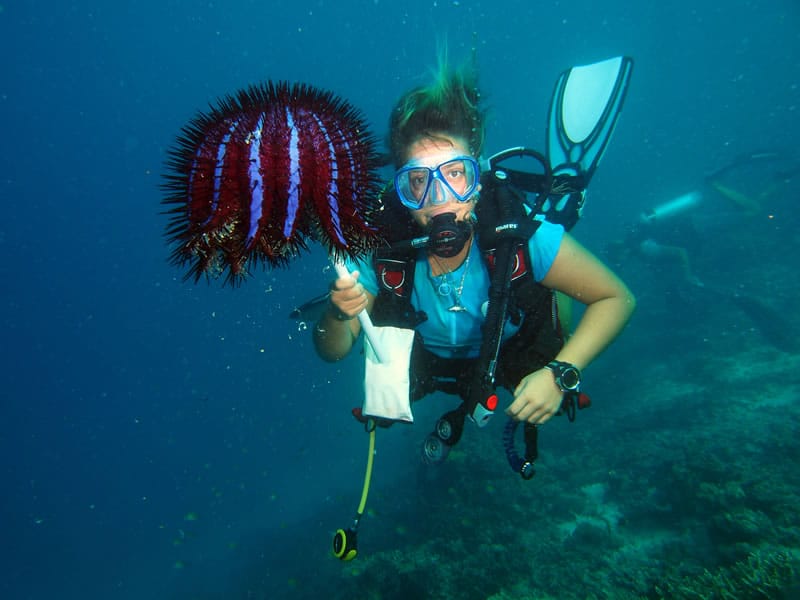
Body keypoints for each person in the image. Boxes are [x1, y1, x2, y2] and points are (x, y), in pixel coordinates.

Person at [312, 61, 635, 430]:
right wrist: (338, 314)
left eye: (454, 174)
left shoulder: (518, 235)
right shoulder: (381, 248)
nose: (440, 198)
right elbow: (331, 352)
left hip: (514, 348)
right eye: (419, 180)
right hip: (430, 360)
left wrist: (561, 371)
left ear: (476, 178)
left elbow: (616, 298)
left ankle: (560, 209)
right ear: (404, 191)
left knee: (554, 303)